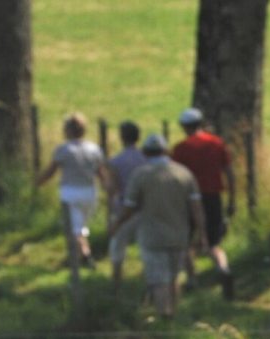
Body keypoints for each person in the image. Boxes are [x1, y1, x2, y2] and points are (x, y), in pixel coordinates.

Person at [114, 134, 204, 319]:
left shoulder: (140, 175)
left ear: (146, 153)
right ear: (166, 151)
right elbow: (196, 208)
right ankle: (174, 313)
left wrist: (116, 224)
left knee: (158, 279)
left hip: (152, 235)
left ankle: (164, 315)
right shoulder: (184, 173)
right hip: (179, 234)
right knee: (174, 277)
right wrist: (202, 234)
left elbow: (129, 208)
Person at [170, 107, 234, 284]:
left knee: (186, 240)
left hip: (189, 199)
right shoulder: (217, 143)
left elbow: (175, 177)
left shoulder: (181, 149)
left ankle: (192, 278)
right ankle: (223, 268)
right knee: (214, 242)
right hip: (213, 196)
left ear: (184, 126)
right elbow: (228, 172)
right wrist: (232, 198)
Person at [35, 113, 107, 265]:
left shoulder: (64, 150)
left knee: (74, 229)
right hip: (90, 192)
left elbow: (50, 171)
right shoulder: (94, 149)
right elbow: (101, 173)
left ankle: (85, 256)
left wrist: (37, 182)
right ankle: (79, 257)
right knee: (81, 227)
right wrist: (108, 188)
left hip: (70, 193)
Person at [105, 121, 151, 279]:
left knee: (117, 248)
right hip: (145, 208)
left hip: (123, 208)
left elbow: (112, 189)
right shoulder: (146, 159)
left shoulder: (116, 161)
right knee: (146, 248)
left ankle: (116, 283)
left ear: (122, 137)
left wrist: (110, 213)